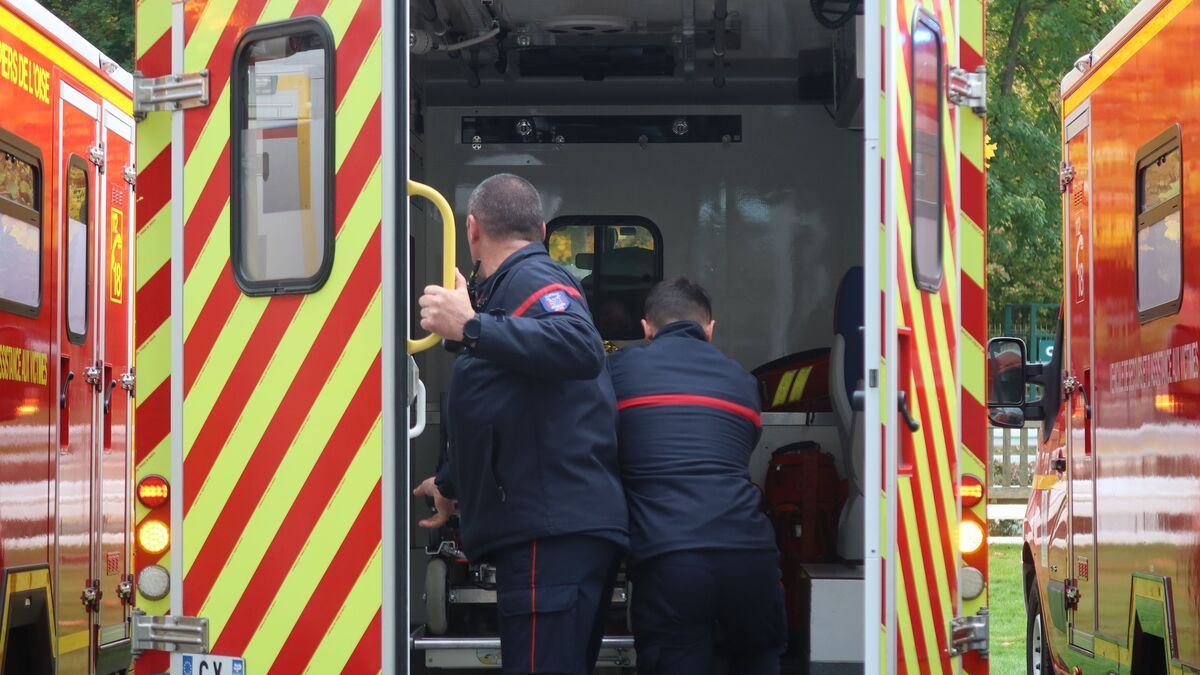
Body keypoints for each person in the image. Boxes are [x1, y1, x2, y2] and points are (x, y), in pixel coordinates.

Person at [413, 173, 628, 675]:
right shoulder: (506, 295)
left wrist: (469, 325)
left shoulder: (534, 278)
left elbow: (579, 346)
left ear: (472, 231)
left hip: (550, 537)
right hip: (551, 531)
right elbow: (501, 406)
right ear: (544, 227)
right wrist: (450, 485)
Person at [607, 277, 787, 675]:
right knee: (758, 661)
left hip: (670, 559)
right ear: (709, 330)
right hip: (750, 557)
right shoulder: (742, 382)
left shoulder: (618, 373)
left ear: (646, 329)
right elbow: (741, 447)